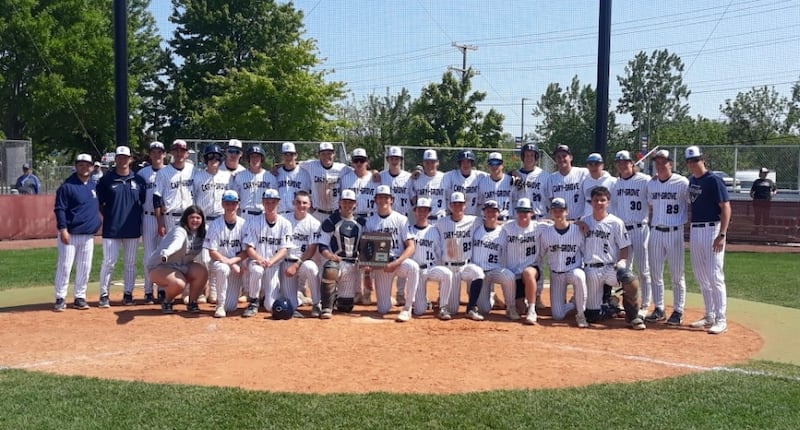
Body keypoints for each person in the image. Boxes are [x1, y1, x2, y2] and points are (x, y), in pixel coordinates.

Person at [580, 186, 645, 329]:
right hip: (591, 270)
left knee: (629, 279)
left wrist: (622, 262)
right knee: (592, 316)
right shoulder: (584, 221)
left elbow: (624, 246)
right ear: (591, 202)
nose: (599, 203)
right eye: (596, 200)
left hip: (609, 267)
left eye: (602, 200)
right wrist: (577, 223)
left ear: (608, 202)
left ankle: (633, 316)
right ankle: (612, 304)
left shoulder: (616, 222)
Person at [685, 146, 731, 335]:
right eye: (689, 161)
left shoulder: (714, 180)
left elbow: (726, 207)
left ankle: (721, 319)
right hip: (696, 229)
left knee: (714, 275)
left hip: (712, 228)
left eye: (695, 160)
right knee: (700, 274)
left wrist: (722, 234)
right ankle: (709, 314)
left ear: (702, 159)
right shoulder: (691, 181)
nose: (692, 164)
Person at [96, 146, 147, 307]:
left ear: (130, 159)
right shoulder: (106, 180)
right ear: (116, 159)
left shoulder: (138, 180)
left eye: (125, 157)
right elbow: (100, 204)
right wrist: (111, 216)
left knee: (130, 263)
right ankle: (104, 294)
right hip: (112, 228)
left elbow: (143, 201)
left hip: (132, 228)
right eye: (119, 157)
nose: (122, 160)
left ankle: (128, 293)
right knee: (109, 262)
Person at [52, 154, 102, 311]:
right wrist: (63, 229)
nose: (84, 167)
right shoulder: (67, 186)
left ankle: (80, 296)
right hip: (70, 233)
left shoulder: (93, 185)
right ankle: (60, 297)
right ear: (76, 166)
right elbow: (59, 209)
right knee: (65, 266)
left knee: (85, 267)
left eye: (87, 165)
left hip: (88, 235)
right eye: (81, 164)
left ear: (92, 167)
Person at [364, 185, 420, 321]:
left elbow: (411, 247)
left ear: (392, 200)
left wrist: (396, 263)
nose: (383, 200)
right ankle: (388, 299)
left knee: (413, 267)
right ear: (375, 200)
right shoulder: (370, 221)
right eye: (380, 197)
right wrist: (367, 274)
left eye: (386, 197)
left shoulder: (401, 219)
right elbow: (367, 251)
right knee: (383, 309)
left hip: (398, 261)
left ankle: (407, 308)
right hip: (380, 266)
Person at [645, 149, 688, 326]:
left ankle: (678, 310)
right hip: (655, 231)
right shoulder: (652, 184)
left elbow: (691, 201)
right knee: (655, 273)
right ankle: (659, 308)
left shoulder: (682, 182)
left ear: (671, 163)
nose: (660, 164)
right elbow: (649, 204)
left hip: (675, 231)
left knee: (677, 275)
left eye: (664, 161)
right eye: (658, 161)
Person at [610, 150, 652, 319]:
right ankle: (628, 304)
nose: (622, 165)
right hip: (623, 231)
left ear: (632, 163)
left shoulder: (645, 180)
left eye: (625, 162)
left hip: (640, 228)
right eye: (619, 162)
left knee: (643, 269)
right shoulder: (616, 184)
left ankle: (645, 304)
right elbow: (613, 206)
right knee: (623, 270)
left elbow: (653, 200)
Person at [241, 189, 293, 318]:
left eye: (273, 202)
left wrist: (271, 261)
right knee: (258, 271)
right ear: (263, 203)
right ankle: (253, 302)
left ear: (278, 203)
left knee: (270, 306)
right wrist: (259, 259)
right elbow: (249, 248)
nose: (270, 205)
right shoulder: (253, 222)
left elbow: (284, 249)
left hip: (273, 264)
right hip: (256, 262)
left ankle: (265, 295)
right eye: (267, 202)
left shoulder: (285, 223)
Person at [537, 197, 588, 328]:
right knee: (558, 315)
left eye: (561, 210)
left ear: (567, 212)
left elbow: (585, 253)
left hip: (572, 271)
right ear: (551, 213)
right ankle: (574, 303)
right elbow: (540, 257)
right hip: (556, 275)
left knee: (579, 275)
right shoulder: (546, 233)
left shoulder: (578, 231)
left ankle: (581, 314)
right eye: (555, 210)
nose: (558, 213)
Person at [147, 205, 208, 314]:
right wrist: (166, 253)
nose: (195, 220)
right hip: (160, 266)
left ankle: (192, 302)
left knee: (202, 272)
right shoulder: (179, 231)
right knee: (179, 283)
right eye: (192, 218)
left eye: (198, 218)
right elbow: (177, 244)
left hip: (181, 265)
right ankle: (167, 301)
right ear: (186, 219)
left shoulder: (203, 232)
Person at [192, 144, 234, 303]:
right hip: (203, 220)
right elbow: (192, 198)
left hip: (220, 220)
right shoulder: (198, 177)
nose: (213, 160)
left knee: (218, 255)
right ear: (205, 159)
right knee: (202, 258)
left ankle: (214, 290)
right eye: (210, 156)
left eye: (216, 157)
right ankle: (202, 290)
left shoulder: (227, 177)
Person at [316, 189, 367, 319]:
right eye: (345, 202)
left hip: (351, 264)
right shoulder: (331, 221)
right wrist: (330, 256)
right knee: (330, 270)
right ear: (339, 203)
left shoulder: (361, 223)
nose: (347, 205)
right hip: (336, 261)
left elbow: (365, 246)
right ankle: (326, 306)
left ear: (355, 204)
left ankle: (337, 297)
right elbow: (322, 246)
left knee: (346, 307)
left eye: (350, 202)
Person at [434, 192, 484, 317]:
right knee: (453, 309)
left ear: (465, 205)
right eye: (454, 204)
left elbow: (492, 222)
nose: (457, 206)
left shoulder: (474, 221)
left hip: (465, 266)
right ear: (450, 206)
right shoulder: (441, 223)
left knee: (478, 272)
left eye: (460, 204)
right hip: (449, 268)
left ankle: (471, 308)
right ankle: (443, 303)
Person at [511, 142, 548, 310]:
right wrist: (511, 173)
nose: (529, 157)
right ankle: (520, 295)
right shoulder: (514, 175)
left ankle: (537, 296)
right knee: (519, 256)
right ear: (522, 157)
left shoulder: (544, 176)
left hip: (539, 218)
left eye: (532, 155)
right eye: (526, 155)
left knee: (538, 258)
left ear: (536, 158)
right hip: (521, 219)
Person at [204, 190, 247, 318]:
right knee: (223, 268)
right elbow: (212, 251)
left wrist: (233, 262)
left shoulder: (244, 224)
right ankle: (220, 305)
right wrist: (229, 262)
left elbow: (246, 251)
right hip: (219, 263)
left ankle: (249, 296)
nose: (230, 207)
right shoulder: (215, 224)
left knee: (231, 307)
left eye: (233, 204)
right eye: (227, 204)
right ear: (222, 204)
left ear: (238, 205)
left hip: (236, 266)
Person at [471, 200, 517, 321]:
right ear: (483, 213)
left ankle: (511, 307)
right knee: (484, 309)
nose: (491, 213)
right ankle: (491, 296)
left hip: (495, 269)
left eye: (494, 211)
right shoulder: (476, 229)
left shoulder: (504, 232)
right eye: (488, 211)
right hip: (480, 274)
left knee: (509, 277)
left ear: (499, 213)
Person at [408, 197, 453, 319]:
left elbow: (439, 253)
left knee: (447, 273)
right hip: (416, 271)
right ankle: (420, 302)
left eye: (425, 210)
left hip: (430, 268)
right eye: (419, 210)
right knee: (419, 311)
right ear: (415, 211)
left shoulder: (435, 231)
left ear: (429, 212)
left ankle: (443, 307)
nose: (422, 213)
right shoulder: (409, 230)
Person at [502, 198, 542, 325]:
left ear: (532, 213)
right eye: (520, 211)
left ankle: (532, 310)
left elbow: (559, 223)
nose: (523, 214)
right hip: (514, 275)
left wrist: (580, 223)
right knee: (519, 310)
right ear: (516, 212)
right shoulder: (507, 227)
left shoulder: (539, 227)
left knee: (528, 272)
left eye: (526, 211)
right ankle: (523, 303)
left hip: (531, 269)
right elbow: (494, 223)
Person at [281, 190, 321, 317]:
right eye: (298, 202)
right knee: (290, 307)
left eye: (304, 203)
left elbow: (312, 249)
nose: (301, 205)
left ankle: (316, 303)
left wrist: (297, 265)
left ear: (310, 204)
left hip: (302, 263)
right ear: (293, 203)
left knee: (311, 267)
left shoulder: (314, 223)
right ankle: (299, 298)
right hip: (286, 264)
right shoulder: (283, 220)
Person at [137, 141, 167, 304]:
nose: (157, 155)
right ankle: (148, 291)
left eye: (159, 152)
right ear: (150, 154)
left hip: (165, 217)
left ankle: (162, 289)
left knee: (163, 255)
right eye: (154, 152)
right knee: (149, 255)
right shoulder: (142, 173)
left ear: (164, 154)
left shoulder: (169, 172)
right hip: (148, 216)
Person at [302, 142, 353, 223]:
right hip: (317, 213)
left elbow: (359, 171)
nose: (326, 156)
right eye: (323, 154)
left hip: (336, 213)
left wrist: (373, 172)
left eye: (329, 153)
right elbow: (293, 164)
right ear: (319, 155)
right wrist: (277, 166)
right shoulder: (311, 165)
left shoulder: (342, 168)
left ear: (334, 154)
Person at [154, 139, 195, 236]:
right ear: (172, 152)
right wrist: (160, 223)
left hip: (189, 216)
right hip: (170, 218)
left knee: (189, 249)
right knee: (171, 250)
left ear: (187, 154)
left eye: (182, 151)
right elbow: (156, 198)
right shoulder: (163, 172)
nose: (179, 153)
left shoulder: (193, 170)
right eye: (176, 150)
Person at [231, 145, 277, 224]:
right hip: (245, 215)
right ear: (248, 158)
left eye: (257, 157)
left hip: (263, 215)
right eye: (252, 156)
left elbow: (276, 200)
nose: (255, 159)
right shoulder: (240, 176)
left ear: (262, 158)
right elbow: (235, 198)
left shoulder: (270, 177)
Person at [544, 145, 589, 221]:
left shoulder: (583, 173)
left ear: (571, 157)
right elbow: (551, 200)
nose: (561, 159)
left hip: (579, 221)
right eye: (558, 157)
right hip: (560, 222)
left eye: (564, 156)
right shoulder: (551, 178)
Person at [442, 149, 486, 216]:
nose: (466, 164)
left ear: (472, 163)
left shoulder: (480, 176)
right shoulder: (450, 175)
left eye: (468, 162)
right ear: (459, 163)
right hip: (454, 216)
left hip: (473, 216)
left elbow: (494, 176)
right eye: (463, 162)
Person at [476, 152, 516, 223]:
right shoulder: (482, 183)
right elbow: (479, 204)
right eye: (491, 163)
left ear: (502, 165)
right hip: (488, 221)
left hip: (506, 220)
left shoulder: (511, 180)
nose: (494, 166)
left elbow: (515, 201)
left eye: (497, 163)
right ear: (488, 165)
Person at [409, 149, 446, 224]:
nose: (430, 165)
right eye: (427, 162)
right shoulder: (416, 179)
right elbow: (413, 199)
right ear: (423, 163)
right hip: (422, 220)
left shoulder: (445, 177)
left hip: (441, 219)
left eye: (432, 162)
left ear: (437, 163)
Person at [275, 142, 311, 216]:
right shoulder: (276, 173)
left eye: (291, 154)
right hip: (280, 214)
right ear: (282, 156)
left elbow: (309, 194)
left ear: (296, 156)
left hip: (297, 214)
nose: (288, 157)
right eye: (286, 154)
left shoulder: (304, 174)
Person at [379, 146, 413, 217]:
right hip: (387, 217)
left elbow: (414, 199)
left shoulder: (409, 177)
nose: (394, 161)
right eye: (391, 158)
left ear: (401, 160)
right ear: (387, 160)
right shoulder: (381, 176)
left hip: (405, 217)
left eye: (397, 159)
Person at [580, 153, 616, 218]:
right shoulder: (584, 182)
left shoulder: (613, 181)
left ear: (602, 165)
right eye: (590, 164)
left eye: (596, 164)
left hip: (607, 221)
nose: (593, 167)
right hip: (588, 222)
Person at [750, 166, 777, 234]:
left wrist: (773, 194)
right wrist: (753, 197)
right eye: (763, 173)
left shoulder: (770, 182)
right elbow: (752, 191)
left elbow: (775, 190)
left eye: (766, 173)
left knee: (766, 216)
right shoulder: (756, 182)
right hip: (757, 201)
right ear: (760, 173)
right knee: (757, 216)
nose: (765, 174)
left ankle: (765, 230)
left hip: (766, 202)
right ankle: (756, 230)